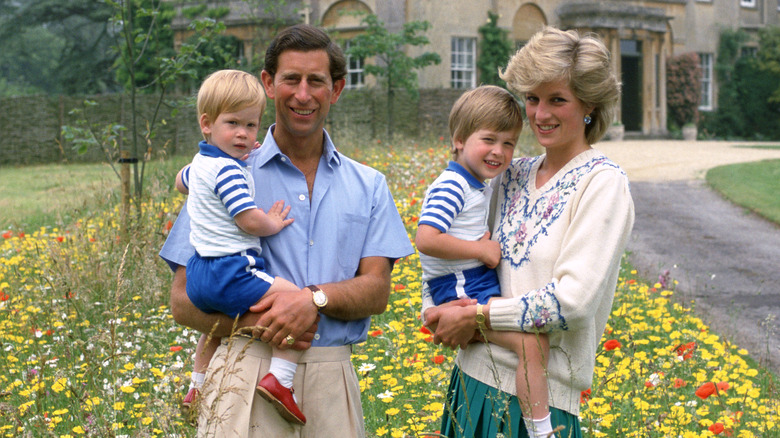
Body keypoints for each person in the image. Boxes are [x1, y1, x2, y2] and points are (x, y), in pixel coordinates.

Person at [159, 24, 414, 437]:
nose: (302, 94)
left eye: (316, 81)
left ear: (337, 89)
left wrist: (313, 300)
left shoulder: (369, 184)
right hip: (243, 372)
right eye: (290, 79)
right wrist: (263, 326)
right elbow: (182, 299)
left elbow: (377, 290)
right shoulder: (223, 172)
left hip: (333, 381)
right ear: (268, 84)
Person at [423, 26, 635, 438]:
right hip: (470, 384)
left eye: (558, 99)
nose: (540, 114)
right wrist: (436, 306)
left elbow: (571, 303)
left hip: (543, 404)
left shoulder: (603, 184)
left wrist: (476, 316)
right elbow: (451, 247)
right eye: (533, 98)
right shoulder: (509, 173)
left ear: (589, 104)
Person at [416, 85, 553, 436]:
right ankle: (541, 431)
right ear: (459, 139)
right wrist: (481, 250)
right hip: (460, 286)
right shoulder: (452, 186)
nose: (499, 151)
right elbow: (426, 239)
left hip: (467, 283)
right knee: (532, 343)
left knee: (529, 342)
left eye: (508, 143)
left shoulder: (475, 183)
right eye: (489, 140)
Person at [174, 69, 309, 425]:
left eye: (251, 126)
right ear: (206, 123)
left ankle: (197, 385)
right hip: (233, 268)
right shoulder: (229, 172)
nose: (243, 134)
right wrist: (273, 222)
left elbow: (180, 181)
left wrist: (238, 152)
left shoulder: (201, 163)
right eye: (233, 123)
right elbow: (247, 219)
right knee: (297, 302)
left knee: (213, 331)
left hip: (200, 274)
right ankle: (280, 380)